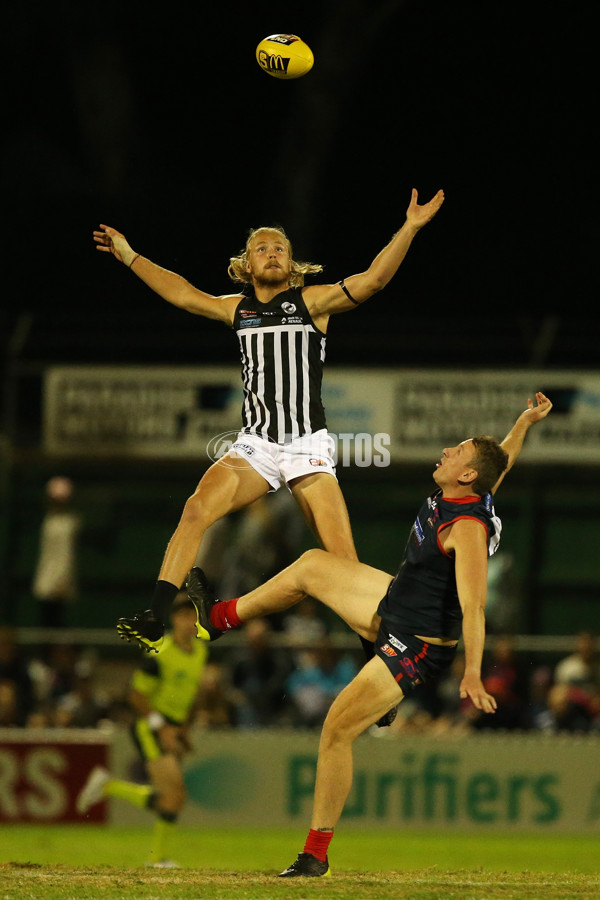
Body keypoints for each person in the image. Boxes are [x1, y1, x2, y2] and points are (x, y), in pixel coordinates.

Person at [188, 392, 552, 876]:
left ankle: (315, 855)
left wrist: (472, 674)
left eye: (458, 452)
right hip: (394, 604)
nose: (448, 452)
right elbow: (499, 461)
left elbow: (475, 606)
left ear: (466, 475)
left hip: (415, 646)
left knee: (336, 731)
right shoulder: (475, 489)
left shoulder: (467, 526)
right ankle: (218, 620)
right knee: (314, 566)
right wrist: (525, 422)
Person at [93, 186, 445, 652]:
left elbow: (373, 280)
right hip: (255, 445)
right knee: (197, 508)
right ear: (247, 264)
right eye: (262, 248)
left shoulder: (312, 303)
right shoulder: (236, 309)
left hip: (306, 446)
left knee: (343, 561)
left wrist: (410, 228)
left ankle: (377, 664)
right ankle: (158, 615)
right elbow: (181, 293)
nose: (272, 252)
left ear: (292, 263)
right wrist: (131, 255)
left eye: (280, 247)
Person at [77, 594, 208, 867]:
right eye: (185, 616)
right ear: (174, 619)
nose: (191, 622)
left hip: (172, 728)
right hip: (151, 728)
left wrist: (182, 730)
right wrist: (162, 728)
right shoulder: (160, 652)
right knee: (174, 796)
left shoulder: (200, 652)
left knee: (171, 798)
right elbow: (136, 696)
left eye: (194, 616)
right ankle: (157, 858)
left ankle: (109, 787)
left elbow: (189, 695)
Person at [31, 476, 81, 628]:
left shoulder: (71, 523)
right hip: (46, 582)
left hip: (62, 583)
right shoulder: (47, 521)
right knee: (46, 621)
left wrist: (62, 581)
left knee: (58, 622)